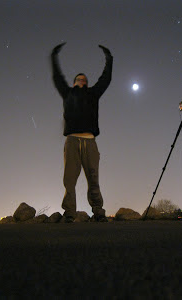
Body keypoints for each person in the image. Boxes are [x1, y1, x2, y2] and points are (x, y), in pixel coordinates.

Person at [50, 42, 113, 223]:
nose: (82, 80)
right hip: (72, 141)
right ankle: (69, 214)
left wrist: (109, 58)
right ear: (74, 82)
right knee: (69, 180)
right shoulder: (67, 93)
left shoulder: (93, 94)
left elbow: (105, 79)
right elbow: (57, 77)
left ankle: (98, 212)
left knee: (93, 178)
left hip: (90, 140)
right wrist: (55, 56)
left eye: (85, 79)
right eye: (79, 78)